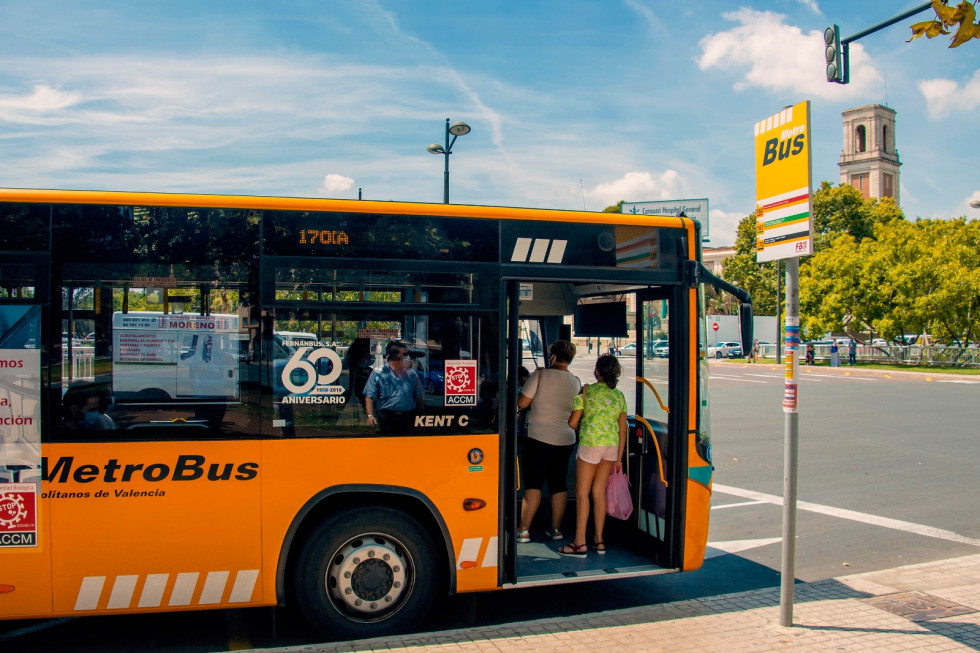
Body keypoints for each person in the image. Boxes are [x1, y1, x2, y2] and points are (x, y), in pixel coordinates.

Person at [558, 354, 627, 558]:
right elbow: (622, 430)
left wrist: (584, 425)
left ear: (597, 371)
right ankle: (599, 540)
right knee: (599, 492)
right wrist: (620, 458)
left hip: (590, 444)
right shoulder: (619, 396)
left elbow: (572, 423)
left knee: (582, 492)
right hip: (611, 447)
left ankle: (579, 543)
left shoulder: (587, 391)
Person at [516, 340, 581, 543]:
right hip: (565, 440)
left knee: (534, 484)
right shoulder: (575, 381)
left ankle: (524, 530)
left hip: (538, 439)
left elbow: (522, 402)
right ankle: (555, 529)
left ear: (553, 356)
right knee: (559, 483)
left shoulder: (540, 375)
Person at [363, 341, 424, 434]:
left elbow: (419, 397)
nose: (409, 358)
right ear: (395, 357)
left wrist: (421, 416)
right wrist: (370, 415)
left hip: (408, 418)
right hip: (387, 418)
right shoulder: (378, 373)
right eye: (405, 355)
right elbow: (369, 396)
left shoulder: (412, 375)